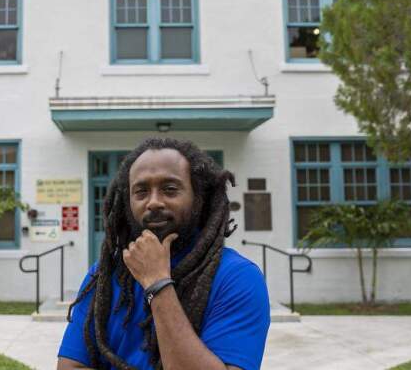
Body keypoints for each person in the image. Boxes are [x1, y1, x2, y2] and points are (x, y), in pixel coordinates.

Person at [57, 137, 270, 370]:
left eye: (170, 189)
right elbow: (70, 366)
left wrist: (158, 284)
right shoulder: (104, 274)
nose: (154, 202)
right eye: (141, 191)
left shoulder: (238, 277)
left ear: (198, 197)